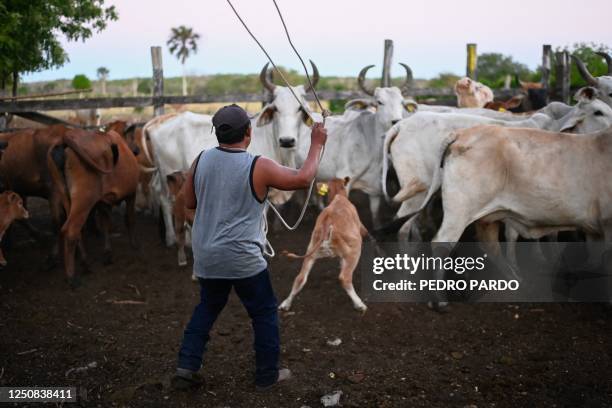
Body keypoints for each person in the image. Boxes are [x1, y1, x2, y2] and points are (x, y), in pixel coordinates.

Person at [171, 104, 327, 391]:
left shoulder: (201, 160)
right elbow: (304, 179)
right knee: (264, 311)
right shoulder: (259, 165)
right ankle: (267, 375)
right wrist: (317, 144)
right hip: (243, 259)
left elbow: (188, 202)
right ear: (248, 133)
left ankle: (186, 366)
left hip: (207, 256)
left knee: (207, 307)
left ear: (217, 133)